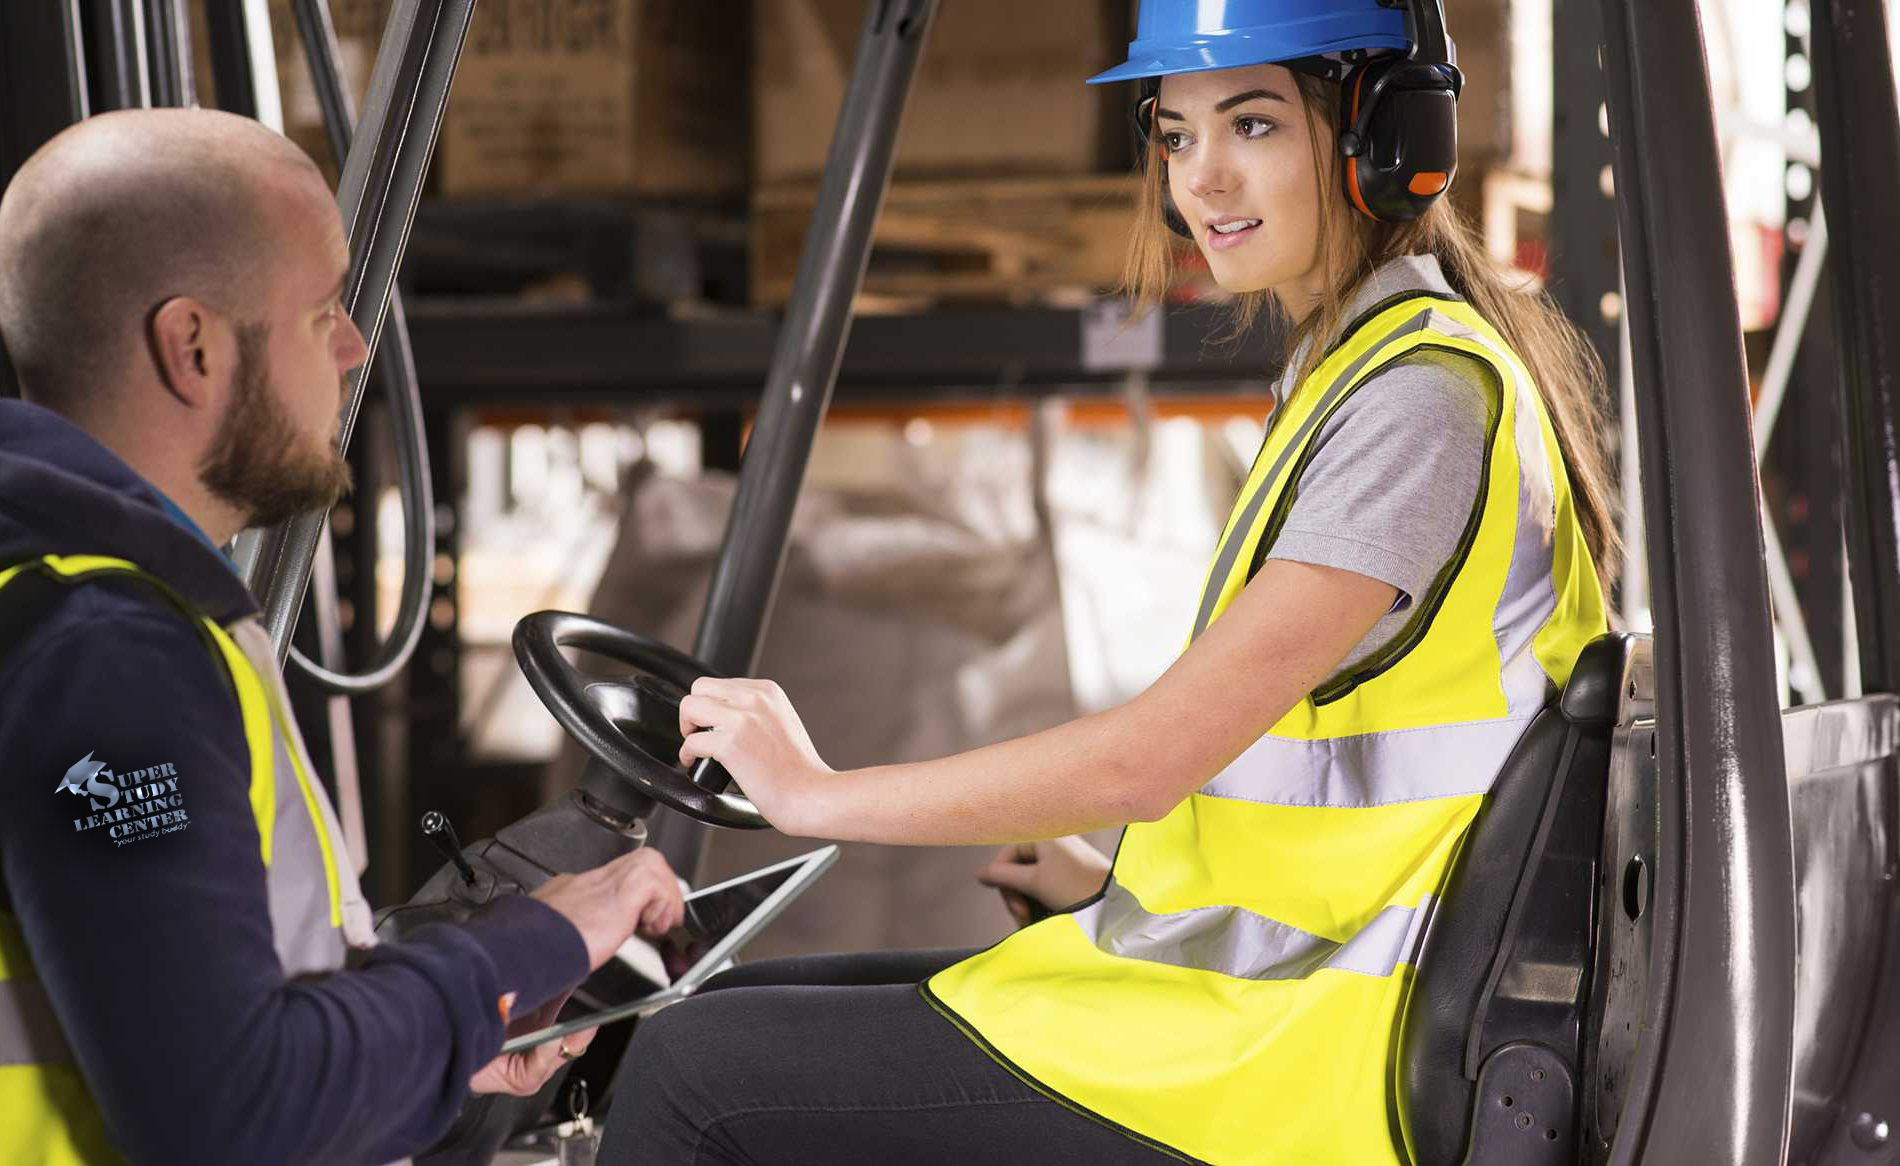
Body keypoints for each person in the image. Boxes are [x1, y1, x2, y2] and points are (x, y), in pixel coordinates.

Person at [601, 1, 1616, 1163]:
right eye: (1175, 134)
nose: (1205, 180)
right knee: (720, 1017)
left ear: (1384, 140)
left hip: (1306, 1062)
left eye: (1252, 124)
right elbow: (1308, 783)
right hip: (1262, 1008)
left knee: (690, 1074)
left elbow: (1148, 759)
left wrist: (816, 793)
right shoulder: (1353, 373)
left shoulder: (1416, 404)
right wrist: (1110, 887)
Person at [0, 108, 688, 1164]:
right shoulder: (104, 653)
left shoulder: (95, 604)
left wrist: (442, 1041)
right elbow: (235, 1118)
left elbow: (225, 1018)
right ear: (192, 347)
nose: (356, 346)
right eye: (322, 310)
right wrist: (533, 940)